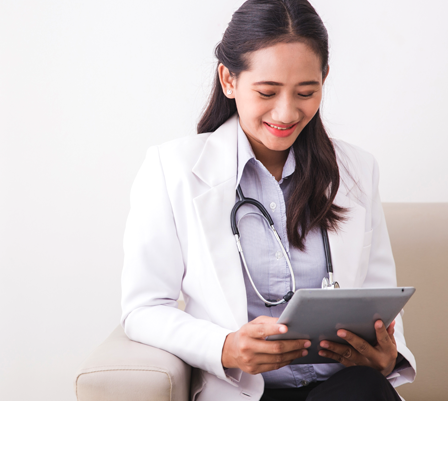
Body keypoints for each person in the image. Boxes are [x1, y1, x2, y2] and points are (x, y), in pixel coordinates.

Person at [120, 0, 416, 401]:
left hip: (345, 389)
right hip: (245, 394)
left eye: (306, 92)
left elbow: (381, 303)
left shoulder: (358, 170)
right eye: (267, 91)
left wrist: (385, 356)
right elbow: (143, 309)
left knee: (364, 389)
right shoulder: (172, 169)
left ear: (324, 78)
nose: (287, 111)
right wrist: (225, 346)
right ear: (229, 79)